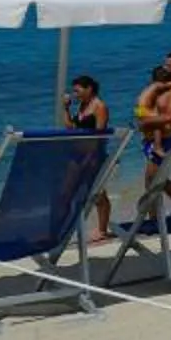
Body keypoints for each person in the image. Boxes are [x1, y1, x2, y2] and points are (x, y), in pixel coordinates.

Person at [132, 50, 171, 211]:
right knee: (156, 182)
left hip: (164, 141)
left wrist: (143, 123)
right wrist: (141, 116)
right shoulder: (162, 87)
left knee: (154, 182)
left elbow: (169, 117)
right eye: (165, 63)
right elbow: (144, 108)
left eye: (169, 65)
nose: (165, 67)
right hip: (150, 140)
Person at [64, 74, 116, 241]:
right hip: (77, 155)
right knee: (67, 191)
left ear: (89, 89)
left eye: (77, 91)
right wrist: (66, 108)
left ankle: (102, 230)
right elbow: (71, 128)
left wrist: (90, 158)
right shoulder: (82, 106)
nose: (75, 94)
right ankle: (64, 228)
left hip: (93, 156)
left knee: (98, 194)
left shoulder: (99, 107)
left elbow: (99, 135)